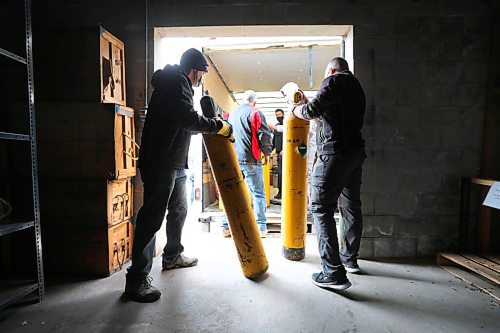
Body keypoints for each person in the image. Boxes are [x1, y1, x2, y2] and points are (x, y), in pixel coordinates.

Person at [124, 48, 233, 303]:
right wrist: (216, 125)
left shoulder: (178, 83)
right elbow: (188, 119)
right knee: (152, 218)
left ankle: (172, 255)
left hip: (174, 162)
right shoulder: (176, 82)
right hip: (161, 162)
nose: (200, 80)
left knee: (180, 209)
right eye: (201, 75)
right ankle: (136, 279)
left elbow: (183, 120)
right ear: (195, 70)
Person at [290, 57, 366, 291]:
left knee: (321, 208)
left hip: (334, 154)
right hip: (354, 154)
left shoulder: (333, 81)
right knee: (351, 205)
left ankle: (332, 273)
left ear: (332, 70)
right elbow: (330, 113)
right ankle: (349, 258)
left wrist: (294, 107)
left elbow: (312, 109)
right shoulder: (356, 87)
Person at [221, 90, 273, 238]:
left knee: (231, 194)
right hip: (251, 159)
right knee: (258, 194)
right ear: (254, 101)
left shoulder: (232, 114)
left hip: (234, 159)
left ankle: (225, 227)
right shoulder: (255, 112)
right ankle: (261, 227)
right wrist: (267, 153)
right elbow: (264, 134)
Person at [272, 109, 284, 200]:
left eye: (279, 114)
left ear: (283, 114)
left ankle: (283, 193)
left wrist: (285, 149)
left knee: (283, 173)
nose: (278, 116)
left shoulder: (288, 125)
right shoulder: (276, 126)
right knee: (280, 173)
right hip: (278, 153)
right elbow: (274, 140)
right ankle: (280, 193)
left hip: (285, 153)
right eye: (277, 115)